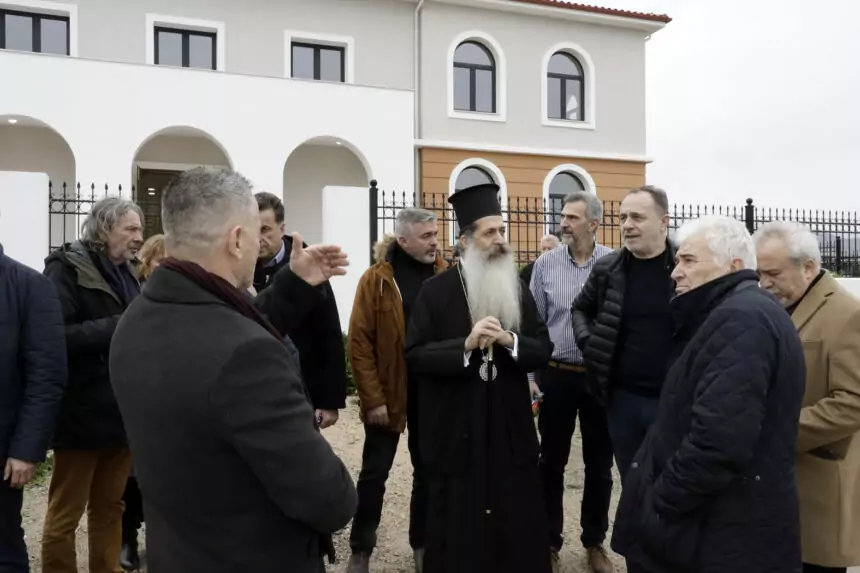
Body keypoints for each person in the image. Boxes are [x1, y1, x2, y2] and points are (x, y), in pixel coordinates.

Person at [109, 167, 357, 573]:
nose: (260, 244)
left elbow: (217, 327)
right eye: (255, 234)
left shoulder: (137, 319)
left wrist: (293, 284)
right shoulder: (247, 356)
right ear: (237, 240)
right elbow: (329, 499)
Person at [611, 215, 805, 573]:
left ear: (733, 265)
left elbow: (718, 443)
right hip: (717, 529)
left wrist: (659, 504)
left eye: (689, 260)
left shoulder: (742, 320)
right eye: (677, 261)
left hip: (721, 535)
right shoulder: (731, 313)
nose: (675, 272)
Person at [405, 183, 553, 573]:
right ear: (465, 241)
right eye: (490, 233)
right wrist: (466, 346)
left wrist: (510, 340)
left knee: (514, 522)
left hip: (508, 429)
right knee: (460, 526)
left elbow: (543, 347)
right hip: (458, 428)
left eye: (502, 230)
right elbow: (415, 355)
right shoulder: (435, 292)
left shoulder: (516, 288)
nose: (500, 239)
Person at [42, 197, 144, 573]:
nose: (139, 237)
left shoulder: (129, 272)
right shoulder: (66, 268)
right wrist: (119, 326)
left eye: (140, 229)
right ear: (104, 229)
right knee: (65, 512)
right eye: (131, 228)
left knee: (110, 505)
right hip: (81, 413)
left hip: (120, 412)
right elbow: (56, 335)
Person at [754, 221, 860, 573]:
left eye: (773, 273)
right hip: (774, 490)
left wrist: (774, 431)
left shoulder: (847, 314)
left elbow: (852, 403)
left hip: (816, 489)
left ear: (809, 267)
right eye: (759, 273)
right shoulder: (775, 306)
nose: (763, 283)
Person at [345, 209, 447, 573]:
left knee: (429, 471)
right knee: (374, 473)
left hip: (432, 393)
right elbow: (359, 343)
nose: (435, 242)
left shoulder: (445, 275)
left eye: (435, 234)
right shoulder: (376, 280)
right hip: (388, 394)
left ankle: (422, 545)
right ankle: (361, 549)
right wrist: (373, 399)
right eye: (426, 236)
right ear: (403, 241)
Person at [530, 192, 614, 573]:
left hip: (598, 378)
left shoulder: (613, 264)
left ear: (593, 224)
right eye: (562, 216)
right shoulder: (545, 265)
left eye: (572, 218)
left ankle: (594, 542)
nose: (563, 223)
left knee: (600, 465)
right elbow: (533, 323)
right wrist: (531, 377)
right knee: (551, 462)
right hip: (556, 374)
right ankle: (549, 541)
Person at [571, 185, 675, 478]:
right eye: (622, 217)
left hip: (672, 400)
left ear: (664, 222)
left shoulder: (685, 266)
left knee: (671, 484)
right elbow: (580, 309)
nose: (627, 225)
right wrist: (589, 342)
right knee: (633, 485)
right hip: (623, 402)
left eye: (637, 217)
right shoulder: (608, 269)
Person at [253, 192, 346, 429]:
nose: (258, 238)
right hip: (256, 386)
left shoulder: (307, 267)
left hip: (300, 388)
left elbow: (328, 332)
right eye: (252, 230)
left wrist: (329, 401)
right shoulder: (241, 267)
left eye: (265, 229)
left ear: (282, 228)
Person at [0, 243, 67, 572]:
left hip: (3, 449)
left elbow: (47, 376)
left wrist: (26, 450)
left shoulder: (30, 286)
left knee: (4, 549)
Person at [119, 232, 164, 570]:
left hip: (171, 397)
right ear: (148, 262)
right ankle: (127, 538)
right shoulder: (134, 294)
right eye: (162, 260)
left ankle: (161, 540)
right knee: (133, 476)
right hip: (141, 394)